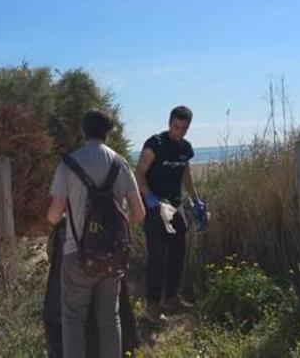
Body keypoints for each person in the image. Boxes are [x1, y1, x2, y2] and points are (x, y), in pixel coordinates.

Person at [46, 109, 145, 358]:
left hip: (75, 254)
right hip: (112, 255)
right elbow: (138, 213)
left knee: (73, 319)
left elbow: (54, 216)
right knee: (109, 318)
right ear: (108, 133)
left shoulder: (68, 164)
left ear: (83, 131)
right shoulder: (120, 164)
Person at [135, 105, 206, 323]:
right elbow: (138, 174)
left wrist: (195, 200)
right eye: (176, 127)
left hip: (175, 207)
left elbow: (186, 175)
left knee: (178, 252)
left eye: (183, 128)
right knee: (157, 257)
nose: (179, 132)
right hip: (155, 208)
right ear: (169, 123)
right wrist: (151, 198)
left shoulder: (185, 148)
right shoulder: (155, 144)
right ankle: (152, 306)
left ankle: (171, 297)